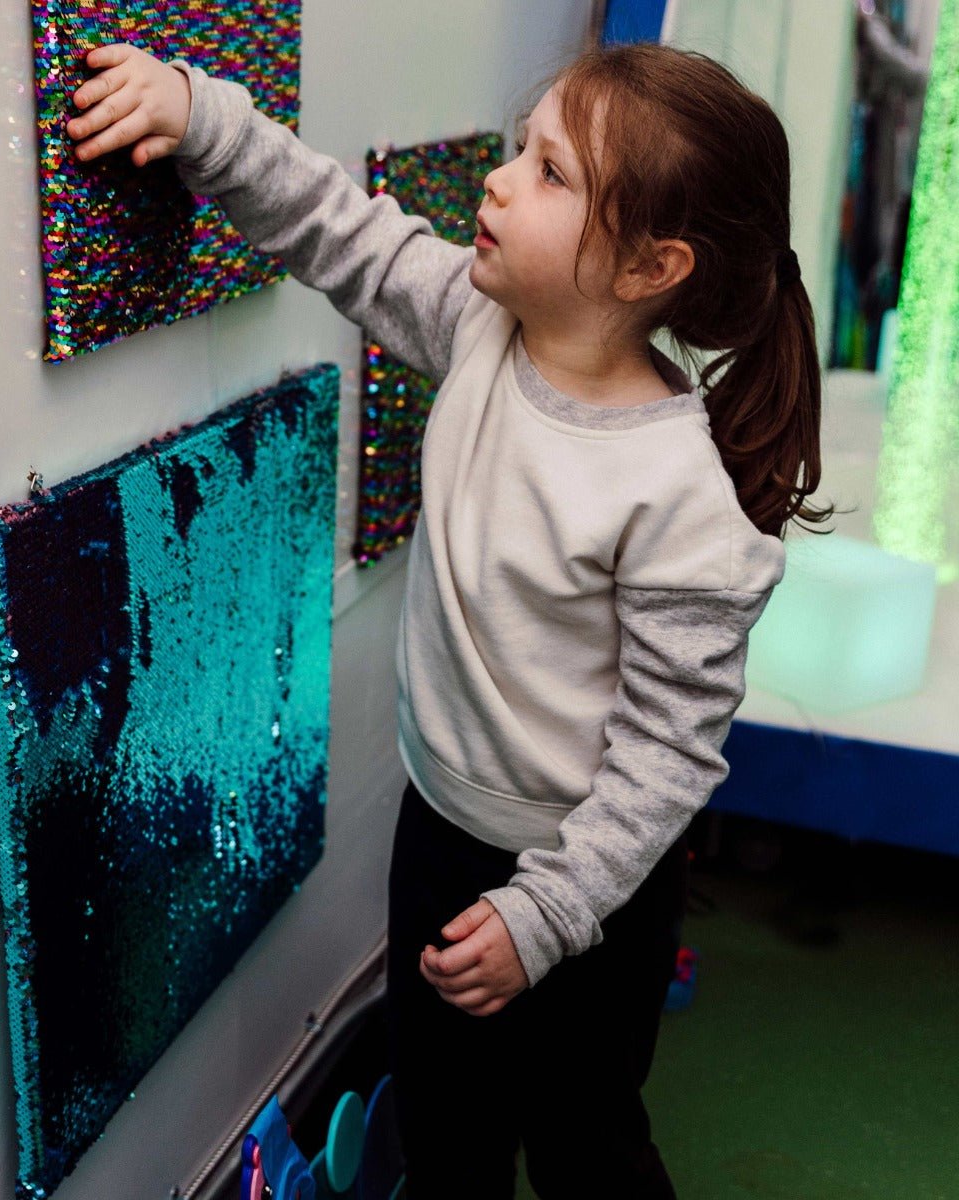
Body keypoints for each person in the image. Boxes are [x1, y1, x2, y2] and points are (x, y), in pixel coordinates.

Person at [67, 39, 829, 1198]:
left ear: (649, 267)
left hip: (591, 885)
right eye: (523, 149)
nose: (500, 179)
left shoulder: (684, 506)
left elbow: (668, 757)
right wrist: (200, 118)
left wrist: (546, 918)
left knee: (586, 1145)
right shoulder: (477, 330)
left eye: (552, 173)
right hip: (441, 836)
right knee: (448, 1130)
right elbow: (340, 230)